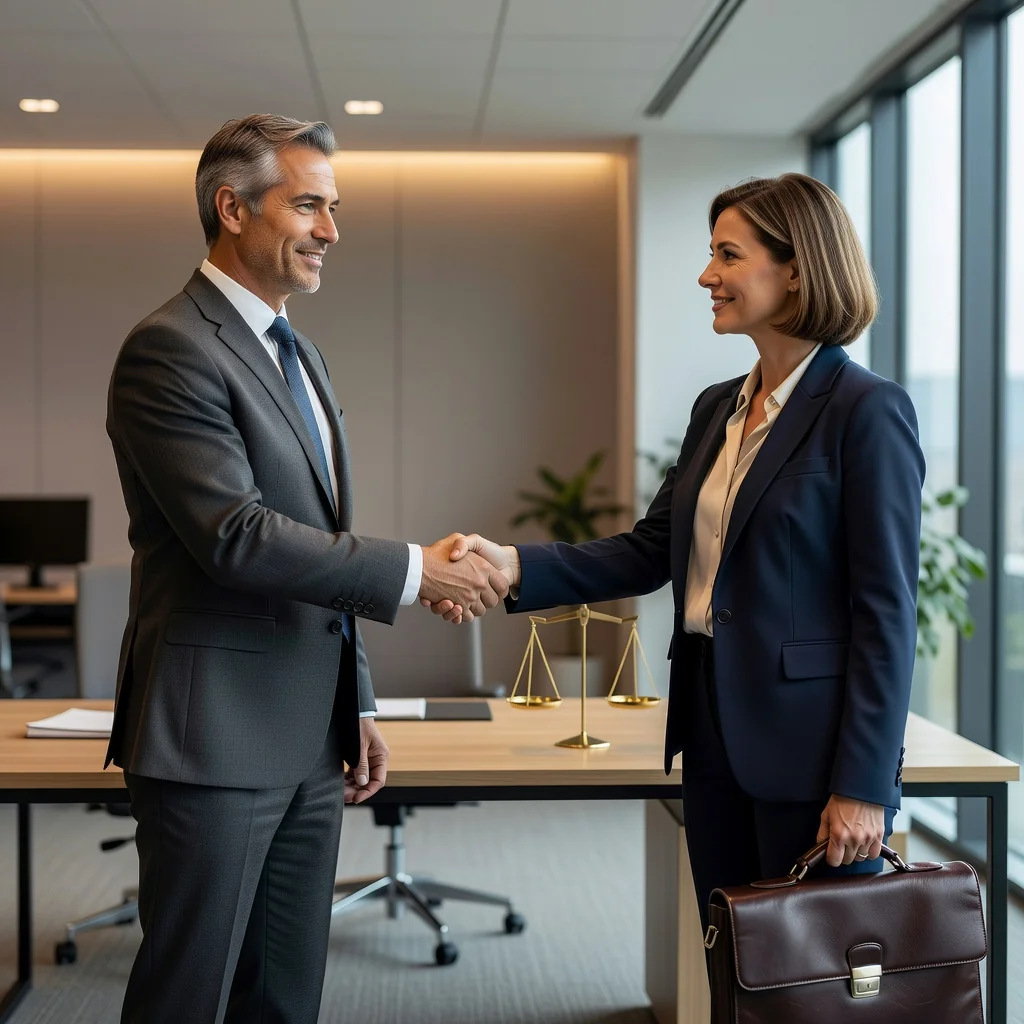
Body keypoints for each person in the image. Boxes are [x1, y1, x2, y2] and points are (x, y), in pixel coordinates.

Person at [431, 173, 924, 931]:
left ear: (796, 269)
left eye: (727, 255)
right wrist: (513, 566)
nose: (707, 276)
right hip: (712, 732)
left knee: (815, 988)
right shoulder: (717, 407)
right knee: (735, 963)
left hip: (812, 757)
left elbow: (886, 614)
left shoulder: (866, 411)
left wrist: (864, 785)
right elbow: (650, 550)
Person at [105, 114, 508, 1024]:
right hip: (211, 739)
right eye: (311, 206)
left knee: (286, 996)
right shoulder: (171, 347)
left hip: (309, 736)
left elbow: (318, 537)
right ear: (232, 207)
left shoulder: (299, 351)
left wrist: (353, 698)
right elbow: (236, 536)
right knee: (189, 994)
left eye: (335, 208)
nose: (332, 230)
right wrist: (417, 571)